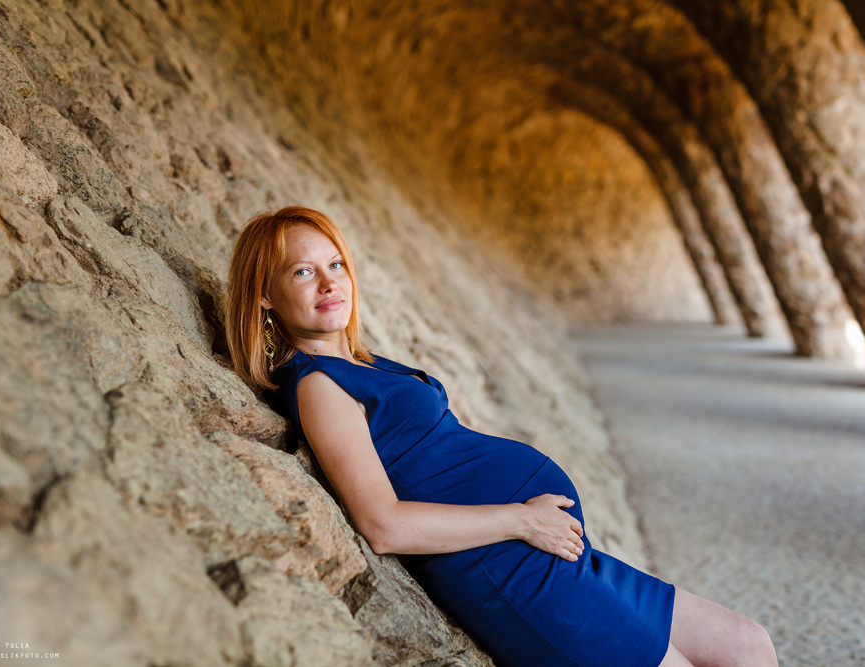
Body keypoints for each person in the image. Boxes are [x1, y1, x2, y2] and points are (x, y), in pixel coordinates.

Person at [225, 206, 778, 667]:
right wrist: (521, 519)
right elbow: (383, 525)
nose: (329, 283)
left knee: (748, 646)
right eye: (303, 272)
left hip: (548, 551)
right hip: (510, 572)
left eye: (336, 264)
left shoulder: (359, 361)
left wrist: (533, 522)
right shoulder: (320, 385)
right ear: (265, 295)